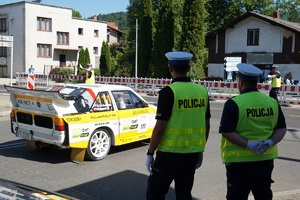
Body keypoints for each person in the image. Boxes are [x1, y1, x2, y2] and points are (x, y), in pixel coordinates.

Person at [145, 51, 211, 200]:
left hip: (169, 154)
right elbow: (206, 125)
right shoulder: (202, 91)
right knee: (184, 194)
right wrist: (200, 149)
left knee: (155, 193)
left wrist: (150, 153)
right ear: (188, 68)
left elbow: (160, 128)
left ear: (170, 68)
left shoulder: (168, 92)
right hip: (192, 155)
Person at [219, 63, 287, 200]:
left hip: (239, 163)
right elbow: (281, 128)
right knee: (263, 195)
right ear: (256, 82)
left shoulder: (234, 103)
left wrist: (249, 144)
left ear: (241, 81)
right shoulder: (271, 102)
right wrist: (270, 142)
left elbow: (227, 131)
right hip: (265, 160)